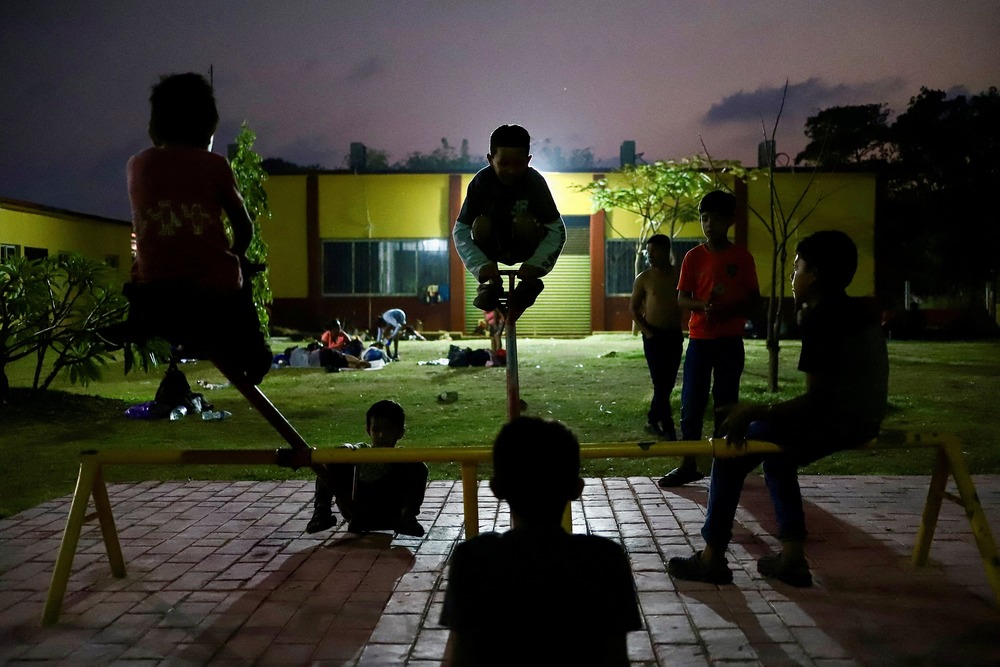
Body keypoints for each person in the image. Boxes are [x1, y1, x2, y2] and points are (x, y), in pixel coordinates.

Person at [667, 230, 888, 587]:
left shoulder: (823, 317)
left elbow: (819, 401)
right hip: (863, 419)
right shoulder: (855, 310)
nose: (792, 275)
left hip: (841, 422)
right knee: (777, 456)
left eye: (797, 267)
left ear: (814, 273)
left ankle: (712, 557)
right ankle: (791, 556)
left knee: (730, 452)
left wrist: (756, 411)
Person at [440, 416, 642, 666]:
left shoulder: (474, 559)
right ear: (577, 489)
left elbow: (461, 657)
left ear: (495, 488)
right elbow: (615, 657)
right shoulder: (604, 559)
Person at [124, 72, 271, 385]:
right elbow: (244, 230)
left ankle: (135, 325)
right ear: (208, 129)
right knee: (241, 268)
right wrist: (234, 256)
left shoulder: (137, 165)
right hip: (209, 299)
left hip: (154, 298)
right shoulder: (214, 165)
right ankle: (254, 353)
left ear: (155, 126)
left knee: (142, 268)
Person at [658, 190, 760, 487]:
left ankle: (723, 464)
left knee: (726, 403)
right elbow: (682, 299)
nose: (708, 224)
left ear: (729, 221)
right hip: (700, 340)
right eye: (704, 218)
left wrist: (729, 308)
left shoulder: (742, 258)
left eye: (714, 218)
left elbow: (754, 301)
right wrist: (704, 306)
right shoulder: (694, 257)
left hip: (730, 341)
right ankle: (689, 462)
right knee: (692, 402)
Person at [452, 124, 566, 322]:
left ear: (528, 161)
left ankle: (529, 285)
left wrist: (536, 264)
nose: (511, 171)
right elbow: (461, 230)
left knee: (523, 221)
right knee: (480, 223)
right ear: (490, 160)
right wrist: (480, 265)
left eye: (518, 164)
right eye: (504, 164)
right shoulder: (481, 183)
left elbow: (556, 229)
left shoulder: (535, 182)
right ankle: (492, 285)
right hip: (493, 246)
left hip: (526, 245)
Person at [306, 400, 428, 537]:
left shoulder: (402, 459)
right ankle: (321, 513)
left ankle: (408, 517)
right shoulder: (362, 451)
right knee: (332, 462)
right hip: (357, 510)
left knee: (416, 465)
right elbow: (354, 448)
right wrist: (346, 449)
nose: (381, 435)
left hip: (392, 513)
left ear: (400, 433)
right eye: (376, 430)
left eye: (388, 430)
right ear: (368, 431)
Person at [630, 233, 683, 440]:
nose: (650, 255)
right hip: (653, 337)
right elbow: (633, 309)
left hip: (674, 336)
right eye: (648, 251)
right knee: (660, 383)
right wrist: (648, 333)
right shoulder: (643, 278)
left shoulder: (679, 276)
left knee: (667, 383)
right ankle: (668, 426)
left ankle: (652, 419)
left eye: (655, 250)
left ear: (666, 251)